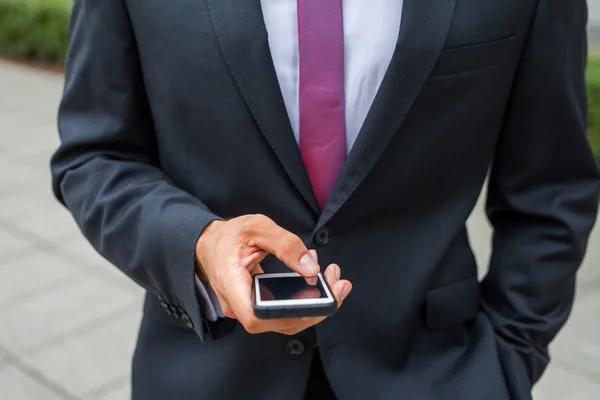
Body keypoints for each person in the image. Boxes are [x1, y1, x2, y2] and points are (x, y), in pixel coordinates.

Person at [51, 0, 600, 399]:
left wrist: (509, 358)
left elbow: (551, 187)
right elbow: (94, 157)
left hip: (437, 373)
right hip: (206, 374)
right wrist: (200, 243)